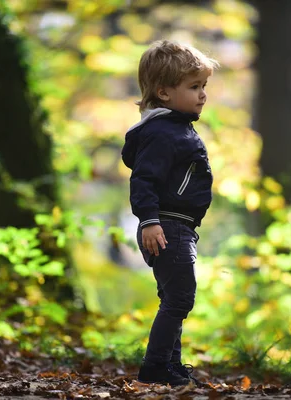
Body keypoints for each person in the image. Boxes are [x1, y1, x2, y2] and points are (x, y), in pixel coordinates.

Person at [121, 40, 219, 387]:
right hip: (165, 226)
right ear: (163, 93)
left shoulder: (175, 128)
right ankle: (155, 367)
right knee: (179, 297)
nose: (203, 95)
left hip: (178, 228)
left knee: (173, 298)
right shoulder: (163, 132)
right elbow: (144, 180)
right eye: (194, 87)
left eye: (203, 86)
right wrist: (150, 221)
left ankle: (171, 366)